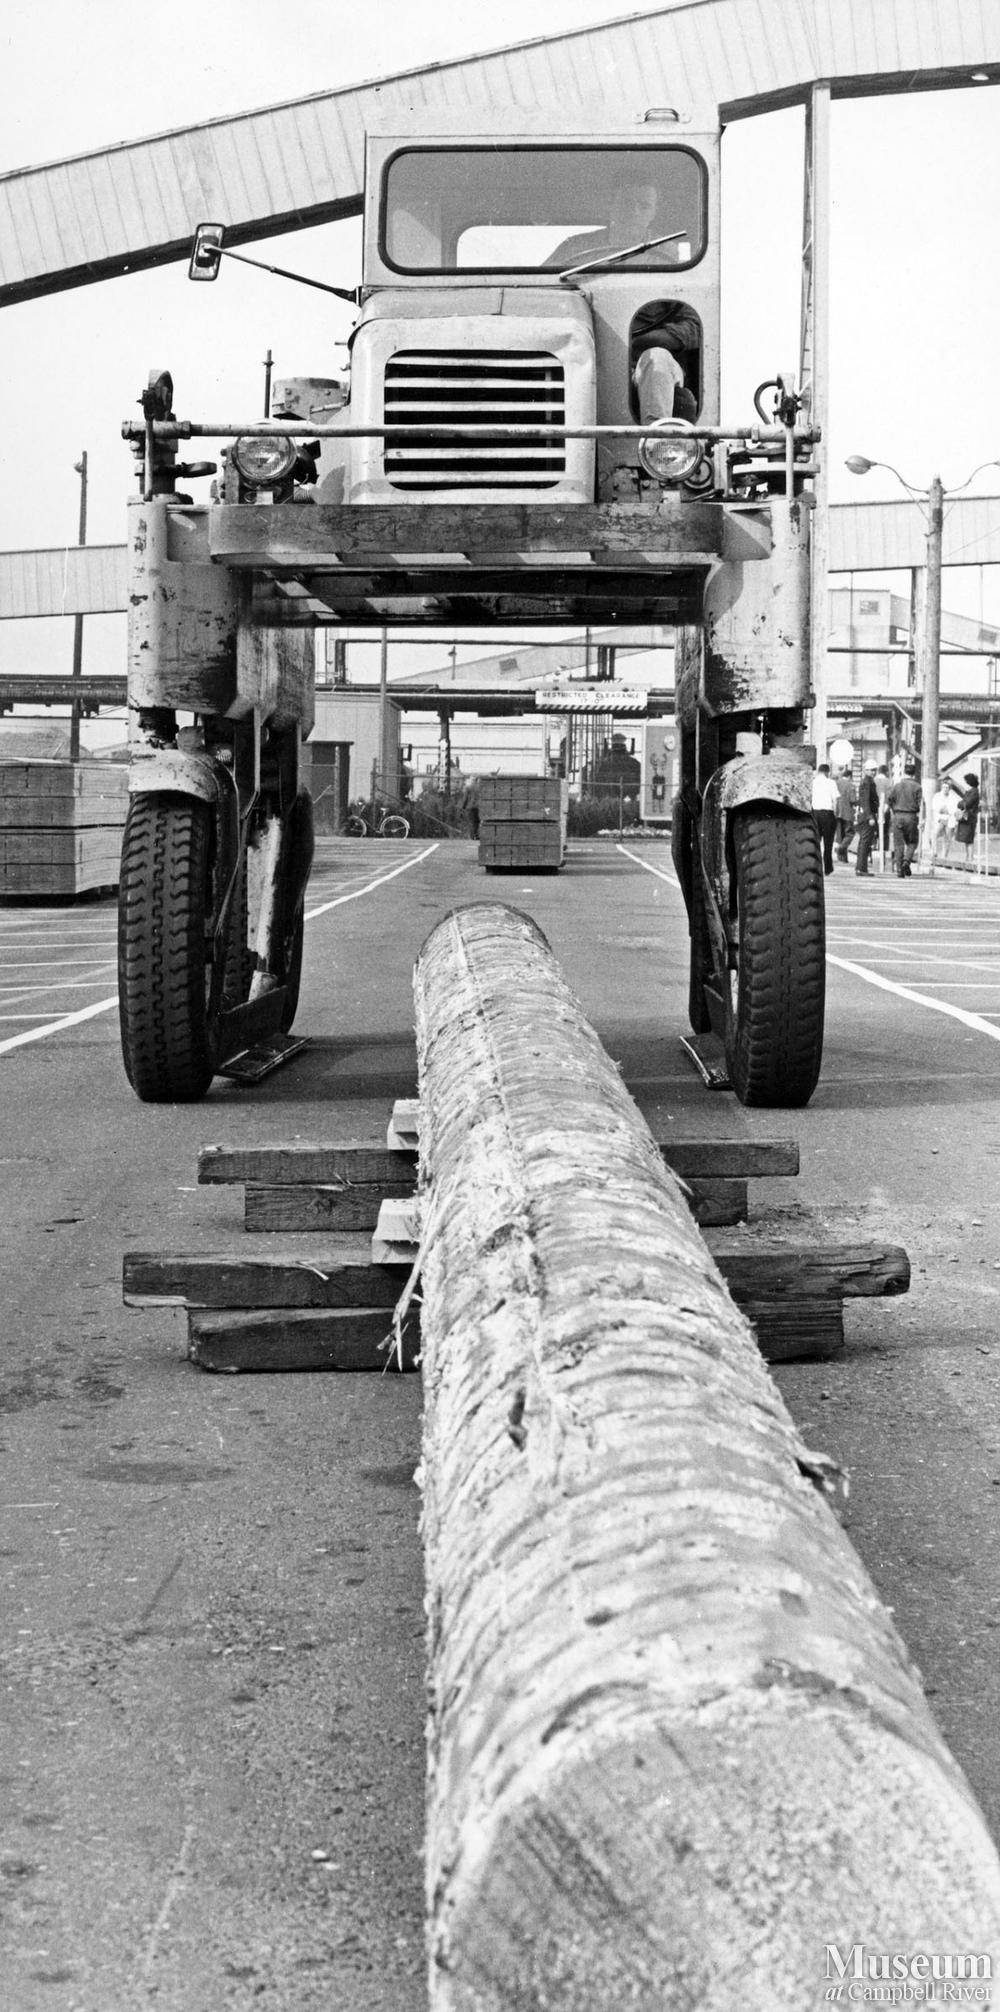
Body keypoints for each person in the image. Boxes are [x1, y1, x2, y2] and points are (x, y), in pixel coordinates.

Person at [887, 758, 921, 877]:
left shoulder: (897, 786)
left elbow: (889, 800)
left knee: (898, 844)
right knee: (912, 842)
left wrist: (894, 810)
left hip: (897, 816)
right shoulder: (917, 787)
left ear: (904, 772)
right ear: (914, 774)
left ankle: (899, 870)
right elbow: (921, 804)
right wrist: (922, 818)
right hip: (911, 817)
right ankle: (906, 861)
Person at [811, 762, 839, 875]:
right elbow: (835, 800)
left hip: (815, 813)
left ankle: (814, 866)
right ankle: (828, 868)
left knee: (815, 841)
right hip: (828, 813)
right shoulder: (831, 783)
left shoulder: (812, 783)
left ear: (818, 771)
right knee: (828, 843)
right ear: (828, 772)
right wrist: (835, 813)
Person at [854, 758, 880, 876]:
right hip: (867, 816)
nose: (873, 772)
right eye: (871, 770)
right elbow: (865, 801)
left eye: (874, 770)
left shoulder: (868, 781)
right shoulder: (867, 782)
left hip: (866, 814)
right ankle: (861, 868)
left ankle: (860, 867)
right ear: (866, 770)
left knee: (864, 842)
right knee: (865, 842)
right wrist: (870, 817)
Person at [954, 771, 981, 865]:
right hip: (968, 818)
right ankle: (969, 857)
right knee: (967, 839)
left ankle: (970, 857)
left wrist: (960, 803)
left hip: (970, 818)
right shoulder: (972, 792)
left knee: (969, 839)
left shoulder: (973, 792)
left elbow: (966, 803)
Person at [931, 779, 960, 862]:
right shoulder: (937, 796)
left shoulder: (953, 797)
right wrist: (941, 809)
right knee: (935, 834)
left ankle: (945, 855)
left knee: (947, 838)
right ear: (941, 787)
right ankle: (934, 851)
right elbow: (935, 808)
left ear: (949, 788)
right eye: (944, 787)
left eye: (947, 787)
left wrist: (948, 810)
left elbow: (954, 809)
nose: (945, 789)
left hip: (950, 819)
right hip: (940, 818)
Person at [834, 765, 856, 863]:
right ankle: (841, 849)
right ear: (850, 776)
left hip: (837, 812)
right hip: (847, 813)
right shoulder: (850, 785)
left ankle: (843, 858)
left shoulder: (836, 783)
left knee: (840, 835)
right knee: (850, 833)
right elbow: (853, 799)